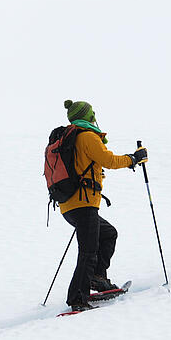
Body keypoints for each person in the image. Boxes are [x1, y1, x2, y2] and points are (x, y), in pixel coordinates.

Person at [55, 99, 148, 312]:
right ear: (87, 116)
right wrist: (133, 159)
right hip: (84, 202)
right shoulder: (86, 136)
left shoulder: (70, 137)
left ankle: (96, 278)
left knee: (107, 234)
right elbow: (108, 160)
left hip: (70, 204)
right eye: (92, 113)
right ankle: (77, 299)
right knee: (87, 250)